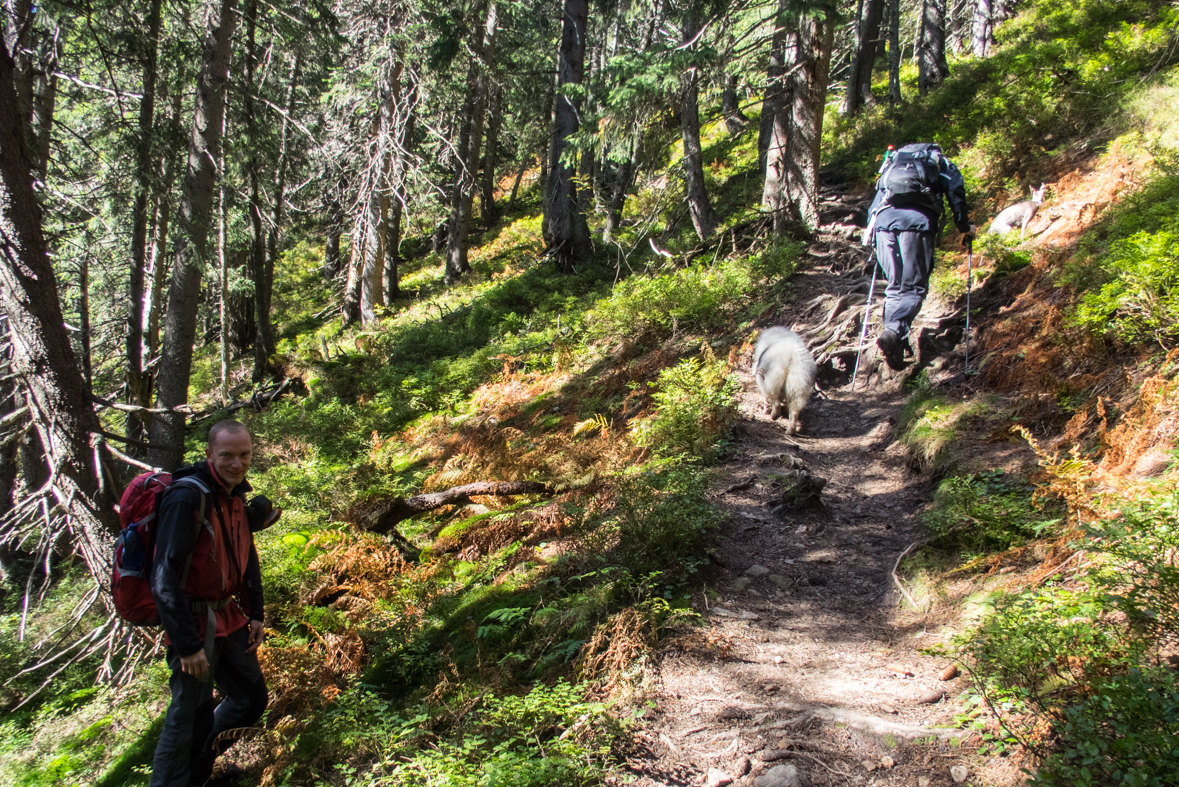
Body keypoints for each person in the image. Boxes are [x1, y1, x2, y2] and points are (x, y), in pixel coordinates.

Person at [150, 420, 279, 787]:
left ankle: (199, 769)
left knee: (250, 700)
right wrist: (188, 646)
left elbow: (246, 555)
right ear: (209, 454)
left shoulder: (235, 493)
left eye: (245, 455)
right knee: (188, 716)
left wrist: (255, 611)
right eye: (227, 456)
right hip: (194, 624)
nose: (237, 463)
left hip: (230, 617)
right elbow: (163, 577)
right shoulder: (187, 498)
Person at [865, 143, 977, 370]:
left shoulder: (892, 162)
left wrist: (870, 231)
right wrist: (964, 226)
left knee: (895, 287)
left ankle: (895, 339)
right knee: (914, 288)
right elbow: (955, 192)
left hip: (884, 225)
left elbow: (877, 199)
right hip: (917, 224)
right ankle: (894, 332)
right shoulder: (940, 163)